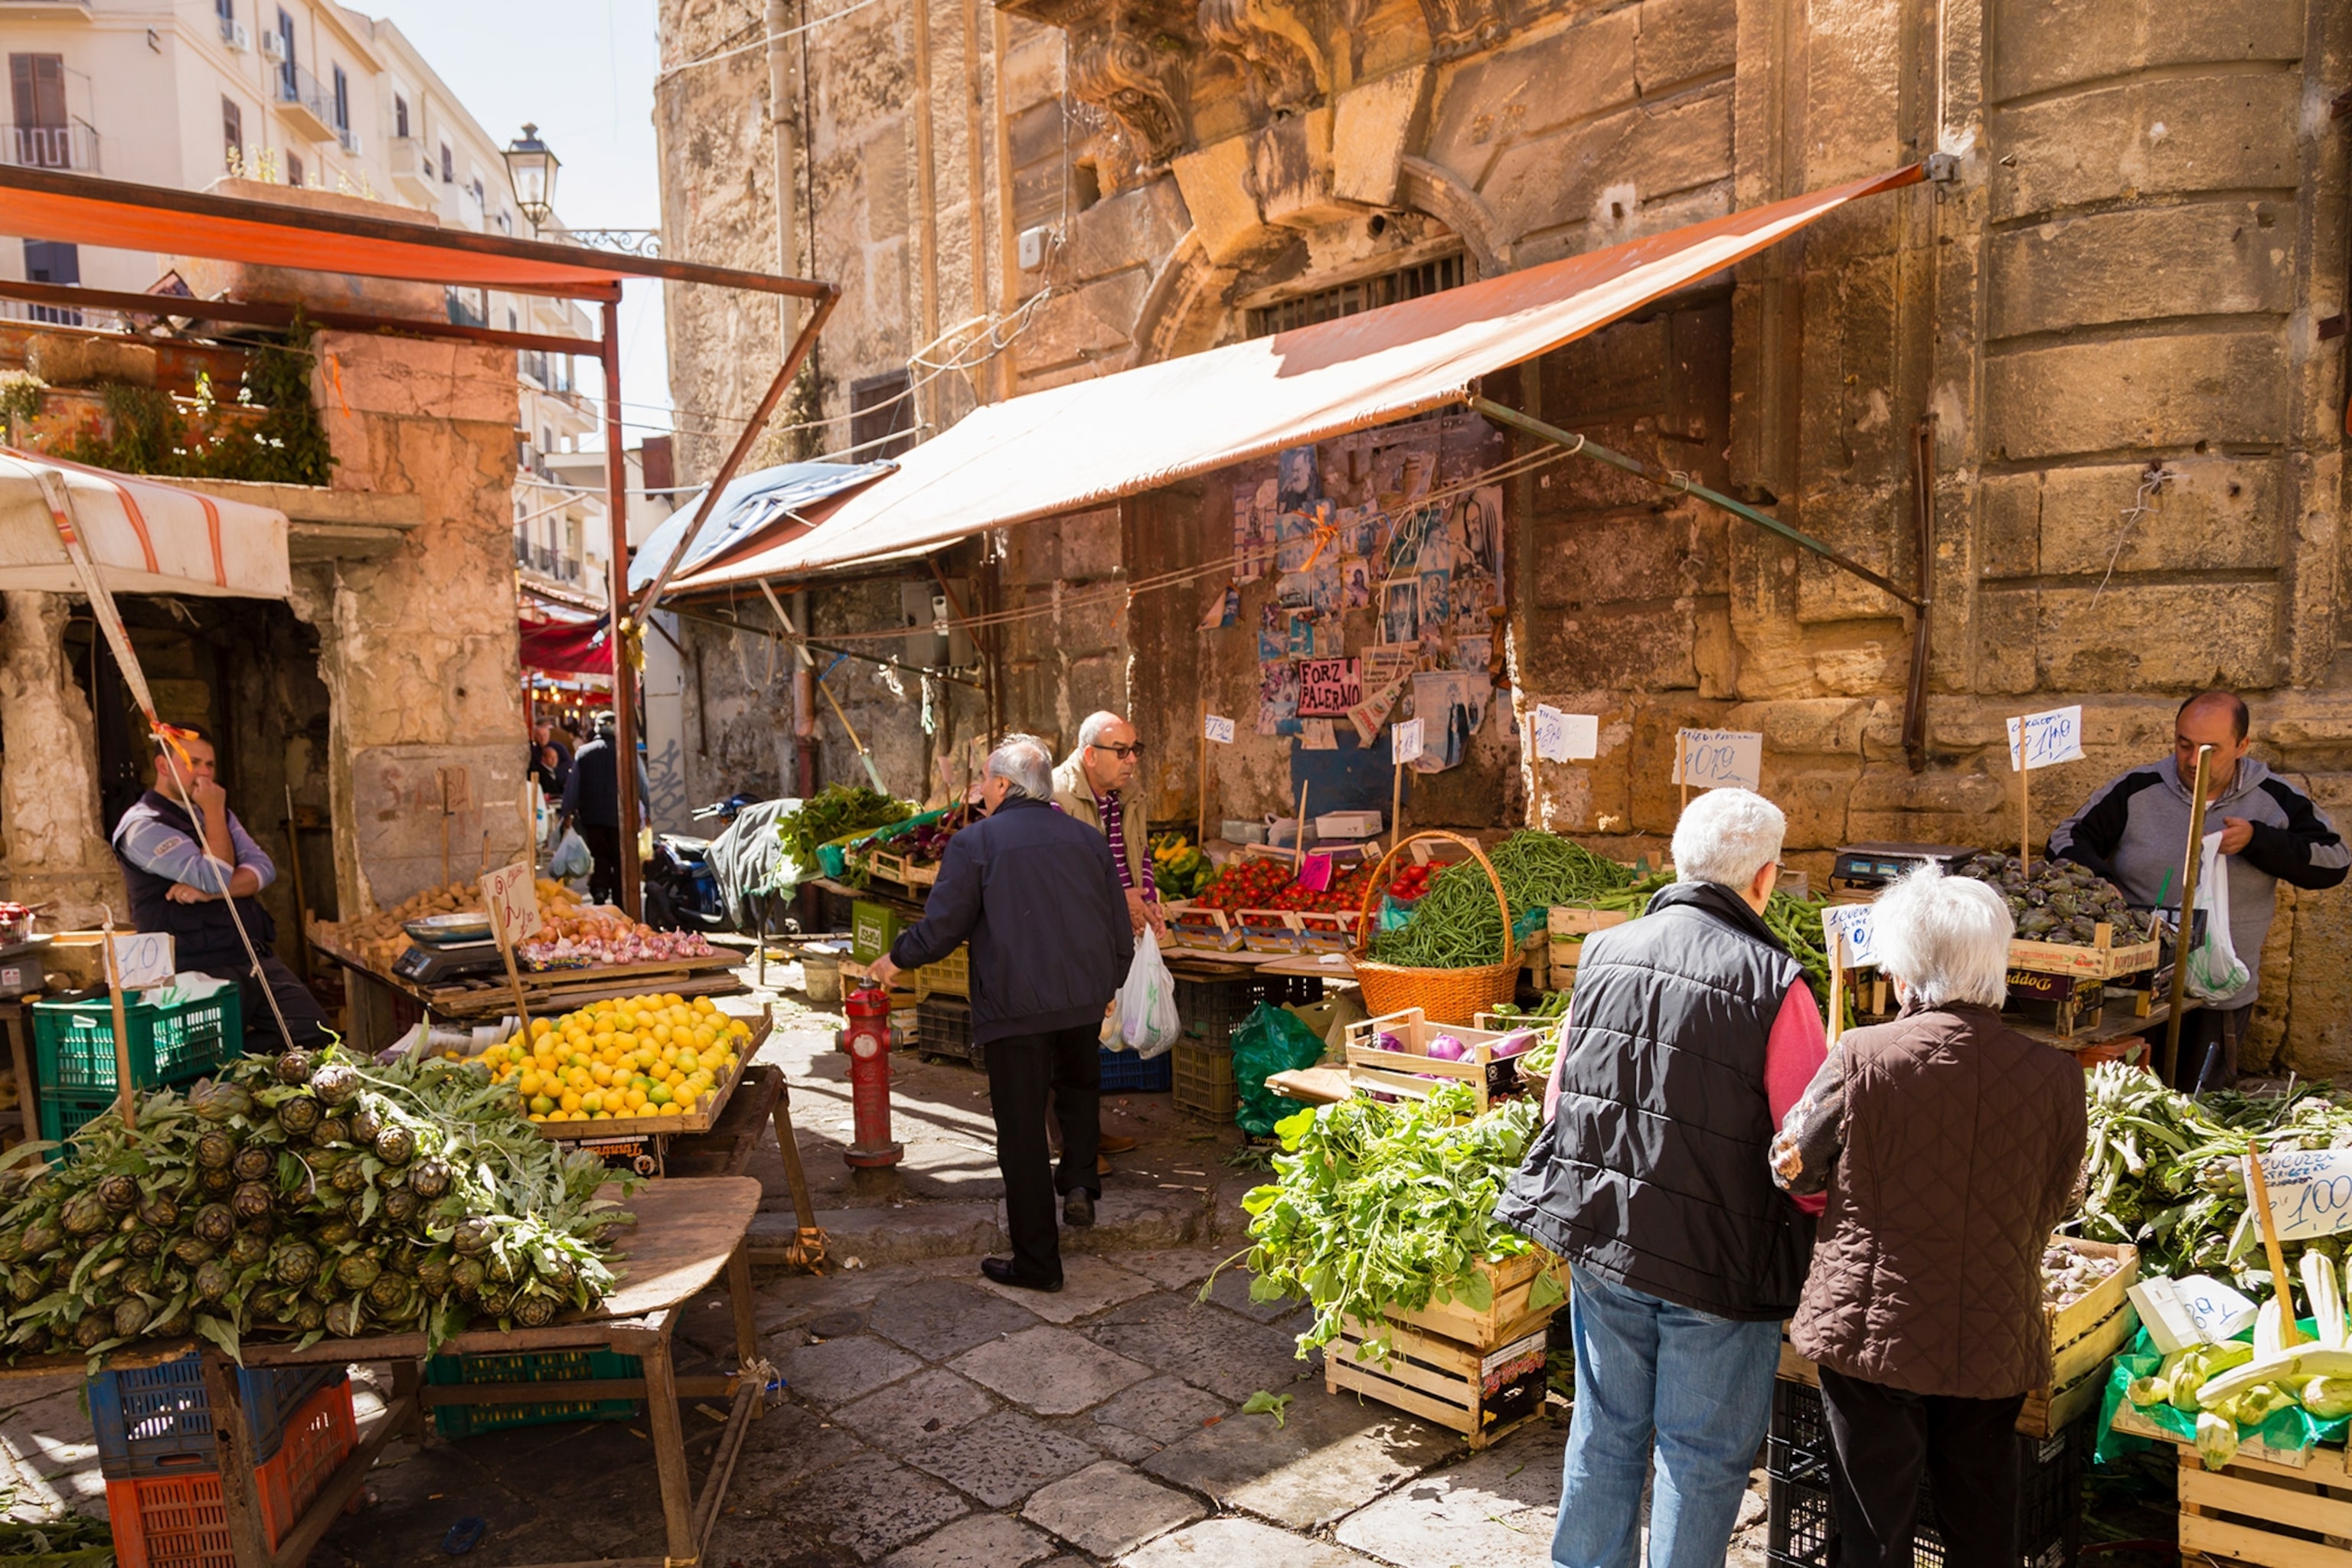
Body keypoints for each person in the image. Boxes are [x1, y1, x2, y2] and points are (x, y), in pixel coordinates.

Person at [1495, 788, 1828, 1568]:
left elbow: (1558, 1101)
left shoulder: (1605, 951)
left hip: (1607, 1239)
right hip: (1720, 1261)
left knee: (1606, 1426)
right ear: (1764, 878)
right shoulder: (1778, 982)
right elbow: (1807, 1150)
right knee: (1701, 1453)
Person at [1771, 867, 2087, 1568]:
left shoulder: (1862, 1055)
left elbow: (1793, 1163)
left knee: (1874, 1527)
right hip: (1994, 1326)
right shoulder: (2058, 1075)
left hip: (1872, 1326)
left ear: (1909, 968)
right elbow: (2066, 1196)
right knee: (1981, 1520)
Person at [869, 735, 1132, 1292]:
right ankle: (1080, 1183)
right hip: (1082, 998)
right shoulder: (1088, 840)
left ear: (1006, 786)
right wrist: (1110, 982)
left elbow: (944, 928)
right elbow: (1118, 926)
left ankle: (1038, 1262)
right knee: (1080, 1089)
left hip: (1016, 1008)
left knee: (1021, 1134)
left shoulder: (976, 844)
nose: (981, 793)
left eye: (987, 782)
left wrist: (897, 958)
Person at [2050, 689, 2347, 1091]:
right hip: (2133, 991)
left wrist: (2259, 841)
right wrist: (2103, 886)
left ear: (2242, 745)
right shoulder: (2139, 788)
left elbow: (2334, 862)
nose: (2192, 761)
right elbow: (2066, 838)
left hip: (2217, 993)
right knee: (2124, 1105)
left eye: (2209, 749)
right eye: (2183, 744)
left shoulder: (2274, 798)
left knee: (2201, 1110)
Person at [110, 729, 330, 1053]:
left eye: (210, 765)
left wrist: (210, 894)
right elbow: (216, 875)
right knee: (208, 1061)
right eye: (193, 762)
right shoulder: (142, 826)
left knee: (314, 1033)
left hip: (247, 955)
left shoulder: (215, 812)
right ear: (162, 765)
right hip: (193, 969)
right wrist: (214, 811)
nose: (204, 773)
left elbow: (263, 869)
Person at [1051, 711, 1165, 940]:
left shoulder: (1130, 793)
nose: (1132, 759)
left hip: (1121, 932)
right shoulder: (1056, 798)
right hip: (1080, 936)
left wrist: (1148, 901)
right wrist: (1119, 901)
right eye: (1121, 751)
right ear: (1091, 755)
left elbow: (1140, 852)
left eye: (1135, 749)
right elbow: (1062, 877)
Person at [560, 711, 649, 906]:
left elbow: (572, 787)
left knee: (600, 857)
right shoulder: (627, 751)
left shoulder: (584, 753)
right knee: (620, 861)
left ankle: (600, 890)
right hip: (621, 819)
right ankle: (620, 899)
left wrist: (566, 814)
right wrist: (650, 811)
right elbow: (642, 785)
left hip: (592, 819)